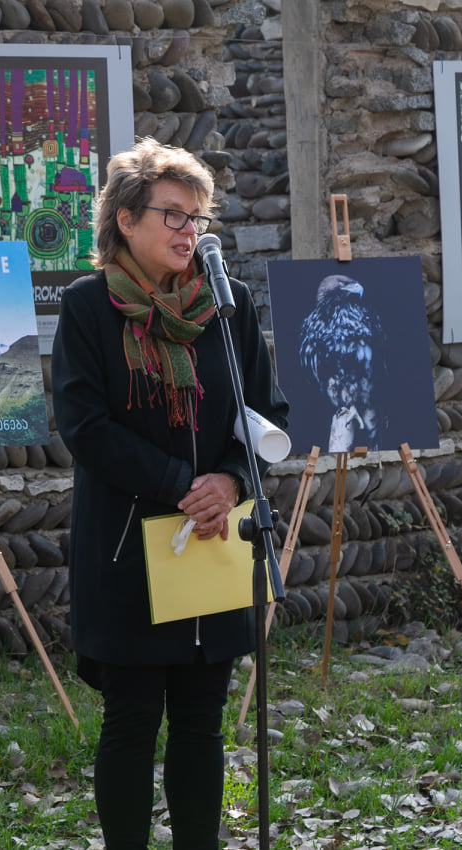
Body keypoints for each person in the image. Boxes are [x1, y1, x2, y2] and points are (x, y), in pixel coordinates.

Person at [51, 138, 289, 850]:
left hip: (213, 541)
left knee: (200, 722)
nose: (190, 231)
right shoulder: (88, 307)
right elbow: (84, 426)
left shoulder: (227, 305)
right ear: (125, 220)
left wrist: (231, 480)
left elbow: (266, 410)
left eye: (198, 217)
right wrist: (181, 485)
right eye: (173, 215)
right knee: (131, 721)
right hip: (129, 549)